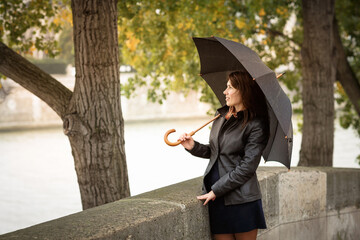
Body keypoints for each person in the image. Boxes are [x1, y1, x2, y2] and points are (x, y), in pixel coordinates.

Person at [179, 71, 269, 240]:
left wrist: (216, 190)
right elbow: (216, 152)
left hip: (241, 200)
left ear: (243, 91)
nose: (224, 92)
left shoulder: (256, 125)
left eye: (229, 87)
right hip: (217, 200)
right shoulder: (220, 117)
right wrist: (192, 146)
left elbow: (247, 167)